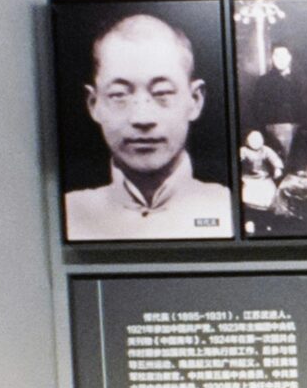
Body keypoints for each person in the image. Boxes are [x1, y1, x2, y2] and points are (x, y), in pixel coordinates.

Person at [64, 13, 233, 241]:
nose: (142, 118)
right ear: (94, 104)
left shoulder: (229, 206)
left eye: (162, 93)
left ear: (195, 100)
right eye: (119, 95)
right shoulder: (69, 215)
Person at [254, 44, 306, 155]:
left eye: (284, 55)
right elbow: (258, 110)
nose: (280, 59)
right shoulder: (263, 81)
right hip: (273, 131)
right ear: (272, 58)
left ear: (289, 57)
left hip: (300, 129)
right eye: (277, 56)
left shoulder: (301, 79)